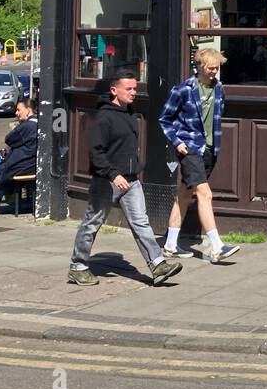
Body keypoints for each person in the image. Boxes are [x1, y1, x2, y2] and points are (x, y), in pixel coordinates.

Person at [68, 69, 182, 287]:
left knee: (141, 222)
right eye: (128, 89)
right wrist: (113, 174)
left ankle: (158, 264)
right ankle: (78, 266)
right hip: (106, 181)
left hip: (131, 180)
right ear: (114, 90)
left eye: (135, 89)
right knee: (93, 223)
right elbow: (96, 152)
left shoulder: (130, 113)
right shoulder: (104, 117)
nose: (133, 93)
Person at [158, 47, 239, 264]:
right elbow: (165, 118)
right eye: (211, 68)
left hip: (210, 148)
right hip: (190, 149)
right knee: (205, 194)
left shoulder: (219, 89)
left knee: (184, 195)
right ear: (200, 66)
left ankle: (170, 245)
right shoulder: (183, 89)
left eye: (217, 68)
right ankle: (217, 246)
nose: (214, 72)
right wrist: (177, 141)